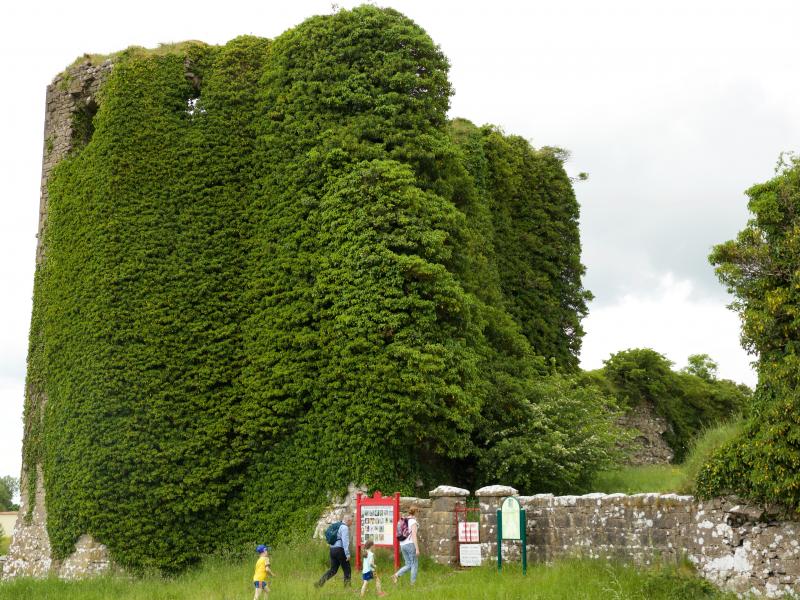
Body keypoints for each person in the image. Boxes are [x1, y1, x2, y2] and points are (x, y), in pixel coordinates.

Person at [315, 514, 352, 587]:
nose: (351, 523)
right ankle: (347, 588)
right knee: (347, 569)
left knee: (333, 570)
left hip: (332, 550)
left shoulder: (337, 525)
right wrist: (347, 554)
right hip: (340, 550)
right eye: (351, 521)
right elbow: (345, 542)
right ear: (348, 520)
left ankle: (319, 583)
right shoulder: (344, 527)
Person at [392, 507, 419, 585]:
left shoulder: (403, 520)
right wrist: (417, 549)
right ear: (416, 513)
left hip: (402, 544)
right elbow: (414, 535)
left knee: (408, 564)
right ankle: (412, 584)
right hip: (410, 544)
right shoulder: (413, 521)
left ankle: (396, 575)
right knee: (414, 565)